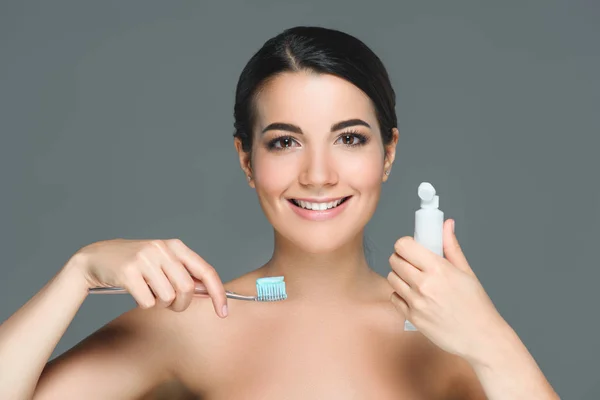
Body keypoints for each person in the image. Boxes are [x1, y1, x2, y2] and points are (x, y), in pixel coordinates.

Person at [0, 26, 558, 400]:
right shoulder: (195, 323)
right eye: (285, 142)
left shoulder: (450, 333)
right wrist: (80, 270)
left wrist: (490, 339)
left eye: (350, 138)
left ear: (388, 154)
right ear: (247, 159)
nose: (318, 174)